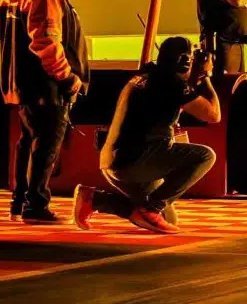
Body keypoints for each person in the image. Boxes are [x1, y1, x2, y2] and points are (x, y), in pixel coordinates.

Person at [70, 36, 218, 234]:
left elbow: (173, 96)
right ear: (185, 62)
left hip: (113, 160)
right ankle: (151, 207)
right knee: (206, 156)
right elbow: (213, 115)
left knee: (167, 217)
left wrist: (194, 77)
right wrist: (206, 76)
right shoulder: (171, 83)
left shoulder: (144, 76)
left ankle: (96, 199)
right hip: (136, 161)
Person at [3, 0, 87, 223]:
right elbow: (46, 39)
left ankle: (21, 200)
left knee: (29, 139)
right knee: (47, 141)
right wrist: (66, 76)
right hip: (46, 82)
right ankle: (36, 204)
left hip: (24, 80)